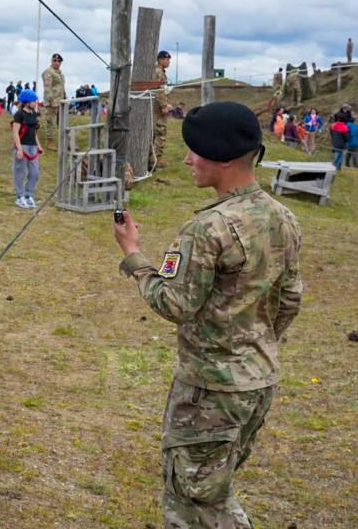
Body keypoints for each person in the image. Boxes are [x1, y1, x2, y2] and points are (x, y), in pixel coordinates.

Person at [112, 101, 302, 529]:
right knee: (214, 487)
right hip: (257, 382)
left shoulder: (208, 229)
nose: (186, 159)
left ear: (223, 156)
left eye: (194, 150)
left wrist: (133, 255)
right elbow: (290, 300)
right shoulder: (283, 218)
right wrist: (255, 344)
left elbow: (174, 302)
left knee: (195, 501)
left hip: (209, 391)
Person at [11, 89, 42, 208]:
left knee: (35, 172)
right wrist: (19, 149)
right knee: (20, 172)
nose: (36, 103)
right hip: (22, 146)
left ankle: (29, 195)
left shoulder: (34, 114)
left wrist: (38, 145)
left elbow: (34, 132)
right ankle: (20, 197)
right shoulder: (19, 115)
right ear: (27, 102)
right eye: (34, 101)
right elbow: (15, 133)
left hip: (33, 146)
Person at [40, 53, 66, 146]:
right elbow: (47, 88)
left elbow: (62, 87)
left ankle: (66, 142)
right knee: (50, 122)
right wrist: (51, 101)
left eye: (59, 61)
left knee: (63, 122)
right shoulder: (48, 72)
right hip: (52, 102)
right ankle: (50, 142)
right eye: (54, 60)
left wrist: (65, 98)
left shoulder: (60, 73)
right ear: (51, 61)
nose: (57, 62)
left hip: (61, 102)